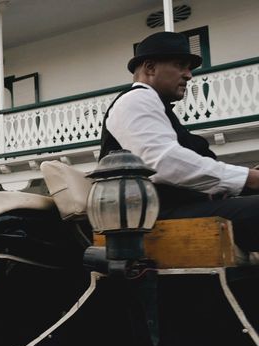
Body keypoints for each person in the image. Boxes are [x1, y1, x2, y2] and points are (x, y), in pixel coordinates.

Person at [100, 31, 259, 251]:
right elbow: (164, 163)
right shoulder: (136, 99)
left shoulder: (155, 105)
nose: (189, 75)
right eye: (180, 65)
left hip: (170, 211)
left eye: (189, 68)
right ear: (150, 68)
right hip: (153, 219)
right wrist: (249, 178)